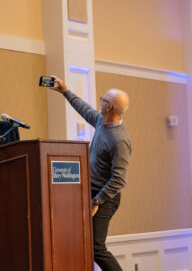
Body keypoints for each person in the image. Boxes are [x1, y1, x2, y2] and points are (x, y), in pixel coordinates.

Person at [50, 76, 132, 271]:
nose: (100, 100)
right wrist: (65, 90)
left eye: (103, 99)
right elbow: (84, 109)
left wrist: (97, 201)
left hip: (106, 197)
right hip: (90, 191)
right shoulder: (102, 121)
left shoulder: (119, 140)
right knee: (78, 241)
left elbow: (119, 180)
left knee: (96, 247)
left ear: (109, 107)